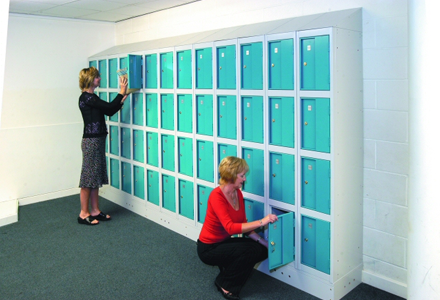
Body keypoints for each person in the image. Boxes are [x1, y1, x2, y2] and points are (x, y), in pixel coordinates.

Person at [197, 156, 279, 300]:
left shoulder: (237, 193)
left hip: (224, 243)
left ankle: (229, 270)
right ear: (230, 176)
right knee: (249, 251)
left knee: (261, 250)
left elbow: (243, 224)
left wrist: (263, 242)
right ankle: (225, 284)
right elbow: (230, 228)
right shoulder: (216, 196)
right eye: (241, 176)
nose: (244, 179)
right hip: (208, 248)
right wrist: (262, 222)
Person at [77, 66, 128, 225]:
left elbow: (109, 111)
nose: (99, 79)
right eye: (97, 77)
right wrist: (121, 91)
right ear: (90, 79)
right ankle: (83, 214)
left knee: (96, 176)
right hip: (91, 142)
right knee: (88, 178)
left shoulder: (92, 97)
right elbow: (108, 108)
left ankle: (95, 210)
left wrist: (120, 99)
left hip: (97, 140)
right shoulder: (86, 97)